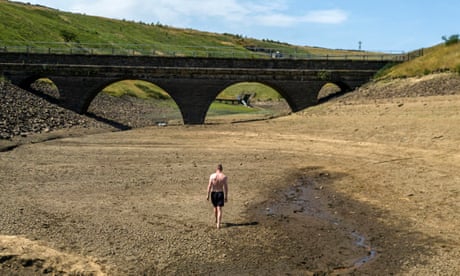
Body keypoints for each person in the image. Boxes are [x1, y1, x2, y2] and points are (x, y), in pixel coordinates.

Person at [206, 164, 228, 229]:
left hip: (214, 193)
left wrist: (207, 195)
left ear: (216, 169)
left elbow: (209, 186)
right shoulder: (224, 177)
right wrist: (226, 196)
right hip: (220, 192)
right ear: (221, 169)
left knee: (215, 207)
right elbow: (226, 187)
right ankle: (218, 224)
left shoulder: (212, 176)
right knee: (219, 209)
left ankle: (216, 219)